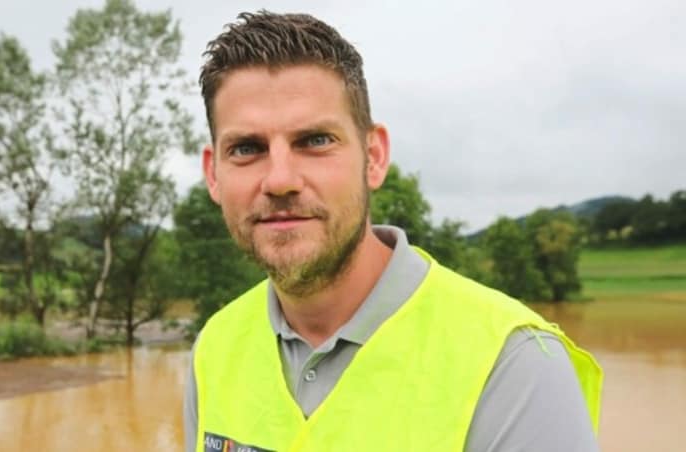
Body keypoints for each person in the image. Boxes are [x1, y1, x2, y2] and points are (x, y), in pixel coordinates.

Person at [184, 11, 602, 452]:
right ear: (214, 174)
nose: (280, 179)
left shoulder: (515, 367)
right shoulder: (215, 346)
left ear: (374, 156)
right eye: (247, 148)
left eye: (315, 141)